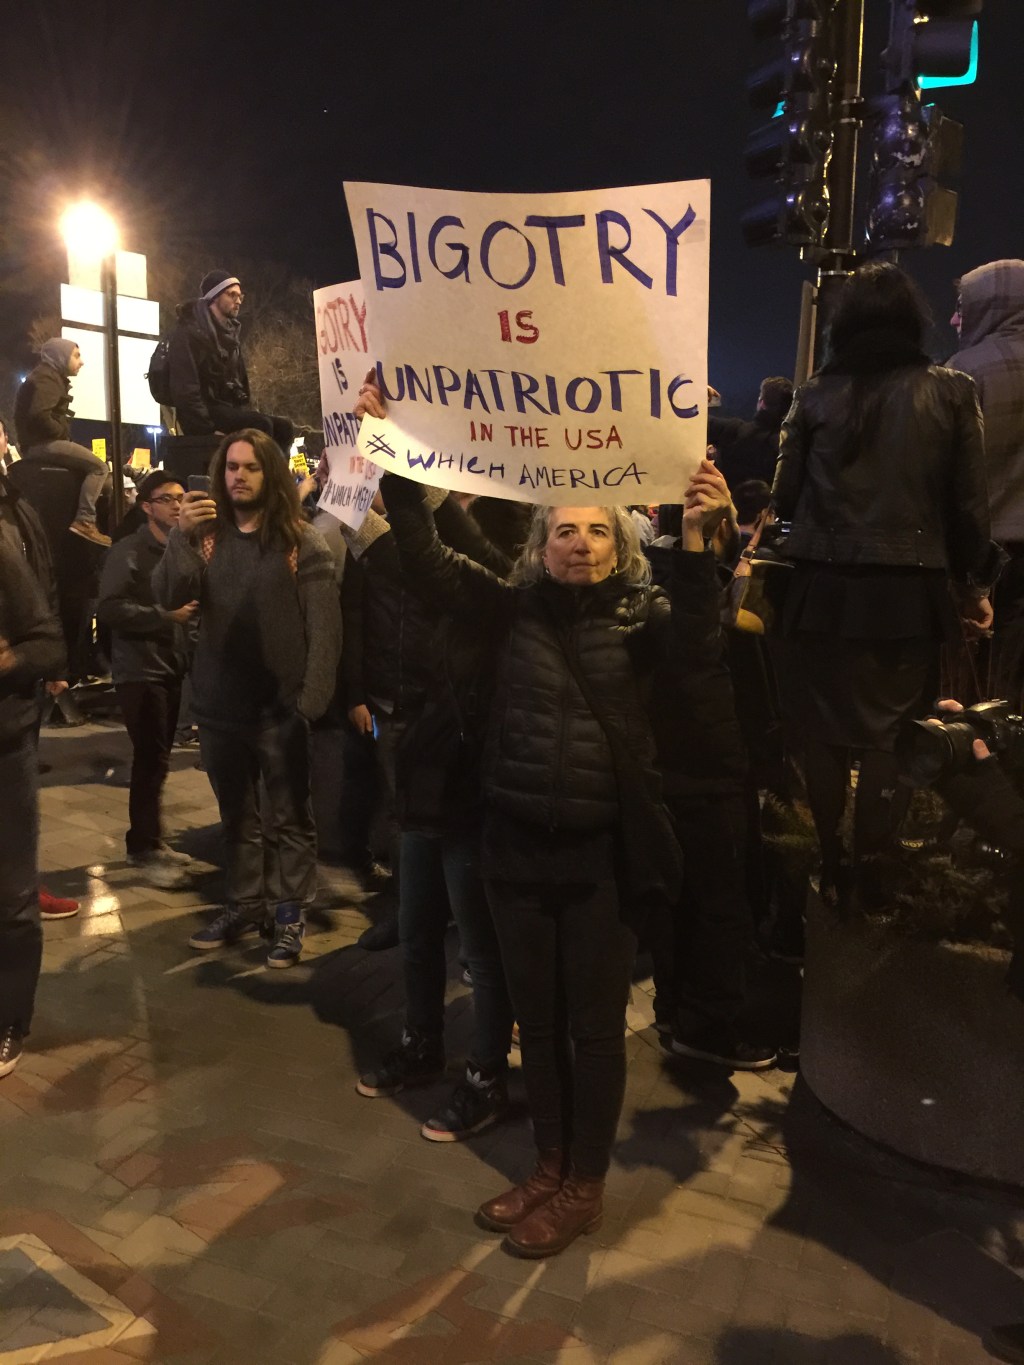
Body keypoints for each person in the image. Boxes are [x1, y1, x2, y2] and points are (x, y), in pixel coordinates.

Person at [379, 457, 731, 1258]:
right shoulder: (508, 611)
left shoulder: (645, 621)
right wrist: (398, 466)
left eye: (597, 531)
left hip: (599, 860)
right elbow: (428, 562)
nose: (580, 543)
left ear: (620, 546)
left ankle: (585, 1185)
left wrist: (699, 540)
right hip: (515, 852)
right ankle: (548, 1162)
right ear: (541, 545)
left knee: (593, 1029)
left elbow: (699, 652)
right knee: (534, 1024)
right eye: (565, 530)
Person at [772, 261, 1001, 908]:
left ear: (842, 325)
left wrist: (806, 530)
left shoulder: (812, 394)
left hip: (821, 588)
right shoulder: (952, 392)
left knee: (822, 730)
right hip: (907, 593)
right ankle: (872, 872)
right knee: (890, 733)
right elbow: (967, 509)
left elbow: (785, 497)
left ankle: (829, 862)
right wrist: (974, 587)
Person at [153, 429, 341, 967]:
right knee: (237, 817)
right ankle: (245, 904)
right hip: (219, 712)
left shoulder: (301, 543)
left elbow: (325, 633)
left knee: (289, 819)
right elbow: (168, 596)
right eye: (232, 466)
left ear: (272, 475)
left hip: (279, 712)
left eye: (251, 467)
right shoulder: (206, 539)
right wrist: (179, 537)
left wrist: (308, 705)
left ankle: (288, 914)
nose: (239, 475)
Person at [97, 470, 197, 888]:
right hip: (141, 670)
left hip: (170, 666)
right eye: (166, 498)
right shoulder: (129, 551)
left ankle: (151, 840)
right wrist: (165, 618)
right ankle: (142, 847)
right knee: (150, 758)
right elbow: (111, 608)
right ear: (146, 506)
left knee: (158, 758)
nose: (176, 505)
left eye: (180, 497)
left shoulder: (180, 548)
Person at [0, 542, 66, 1076]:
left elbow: (48, 645)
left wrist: (10, 658)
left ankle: (10, 1020)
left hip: (4, 746)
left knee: (13, 893)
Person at [948, 260, 1024, 710]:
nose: (956, 319)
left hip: (985, 555)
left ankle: (975, 763)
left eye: (963, 307)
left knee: (972, 680)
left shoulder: (962, 373)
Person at [167, 271, 294, 453]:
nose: (239, 301)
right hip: (202, 414)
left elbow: (240, 385)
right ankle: (258, 478)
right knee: (260, 424)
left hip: (227, 409)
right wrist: (207, 429)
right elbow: (186, 390)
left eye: (240, 295)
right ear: (214, 297)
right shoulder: (188, 333)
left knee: (285, 427)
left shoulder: (230, 336)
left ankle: (277, 480)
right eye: (232, 294)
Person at [14, 339, 111, 547]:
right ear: (60, 356)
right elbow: (39, 415)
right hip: (42, 444)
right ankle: (85, 520)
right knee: (99, 467)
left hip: (36, 444)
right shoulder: (47, 379)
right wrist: (60, 433)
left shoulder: (47, 376)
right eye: (76, 356)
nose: (81, 362)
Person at [708, 375, 794, 489]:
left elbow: (694, 422)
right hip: (769, 506)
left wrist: (698, 395)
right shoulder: (788, 445)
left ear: (761, 402)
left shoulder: (733, 431)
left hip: (727, 503)